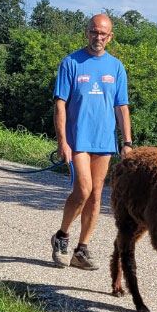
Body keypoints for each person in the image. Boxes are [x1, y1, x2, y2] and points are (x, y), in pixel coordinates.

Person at [50, 13, 132, 270]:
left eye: (103, 34)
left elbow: (122, 106)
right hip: (78, 140)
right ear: (87, 32)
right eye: (94, 32)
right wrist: (62, 141)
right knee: (83, 190)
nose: (98, 37)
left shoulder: (116, 67)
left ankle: (81, 250)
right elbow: (60, 104)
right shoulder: (71, 62)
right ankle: (61, 237)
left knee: (96, 196)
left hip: (104, 141)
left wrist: (127, 142)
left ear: (110, 37)